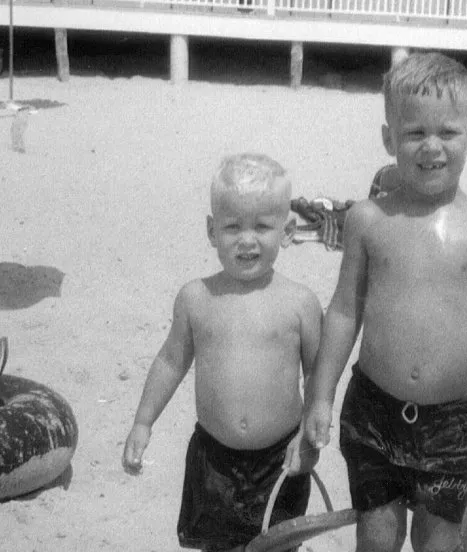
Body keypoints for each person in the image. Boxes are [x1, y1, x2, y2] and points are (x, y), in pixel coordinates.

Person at [304, 53, 467, 552]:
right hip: (372, 412)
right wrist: (321, 394)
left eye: (448, 133)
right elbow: (343, 312)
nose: (432, 147)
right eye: (414, 134)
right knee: (377, 538)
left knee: (437, 542)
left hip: (450, 423)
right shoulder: (367, 220)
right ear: (389, 139)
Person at [122, 153, 323, 552]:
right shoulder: (197, 298)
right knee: (218, 546)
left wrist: (309, 436)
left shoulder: (300, 303)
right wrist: (143, 422)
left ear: (287, 231)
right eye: (233, 227)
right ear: (212, 231)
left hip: (280, 458)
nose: (247, 239)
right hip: (214, 459)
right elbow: (170, 361)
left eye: (262, 226)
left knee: (279, 545)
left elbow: (318, 376)